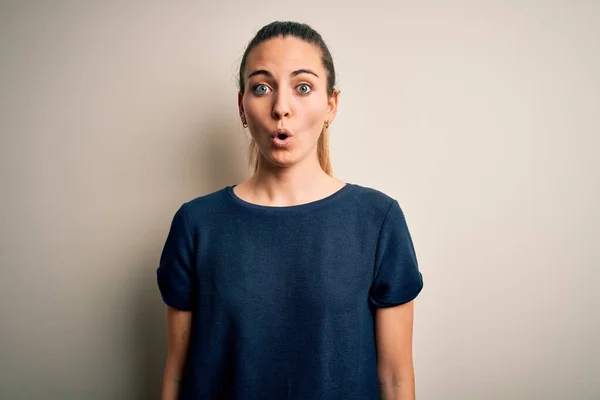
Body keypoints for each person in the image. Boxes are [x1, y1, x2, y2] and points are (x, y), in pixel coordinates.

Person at [156, 21, 424, 400]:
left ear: (331, 105)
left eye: (303, 87)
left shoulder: (378, 221)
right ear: (242, 107)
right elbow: (177, 376)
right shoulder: (196, 224)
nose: (281, 108)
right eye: (262, 87)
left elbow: (396, 380)